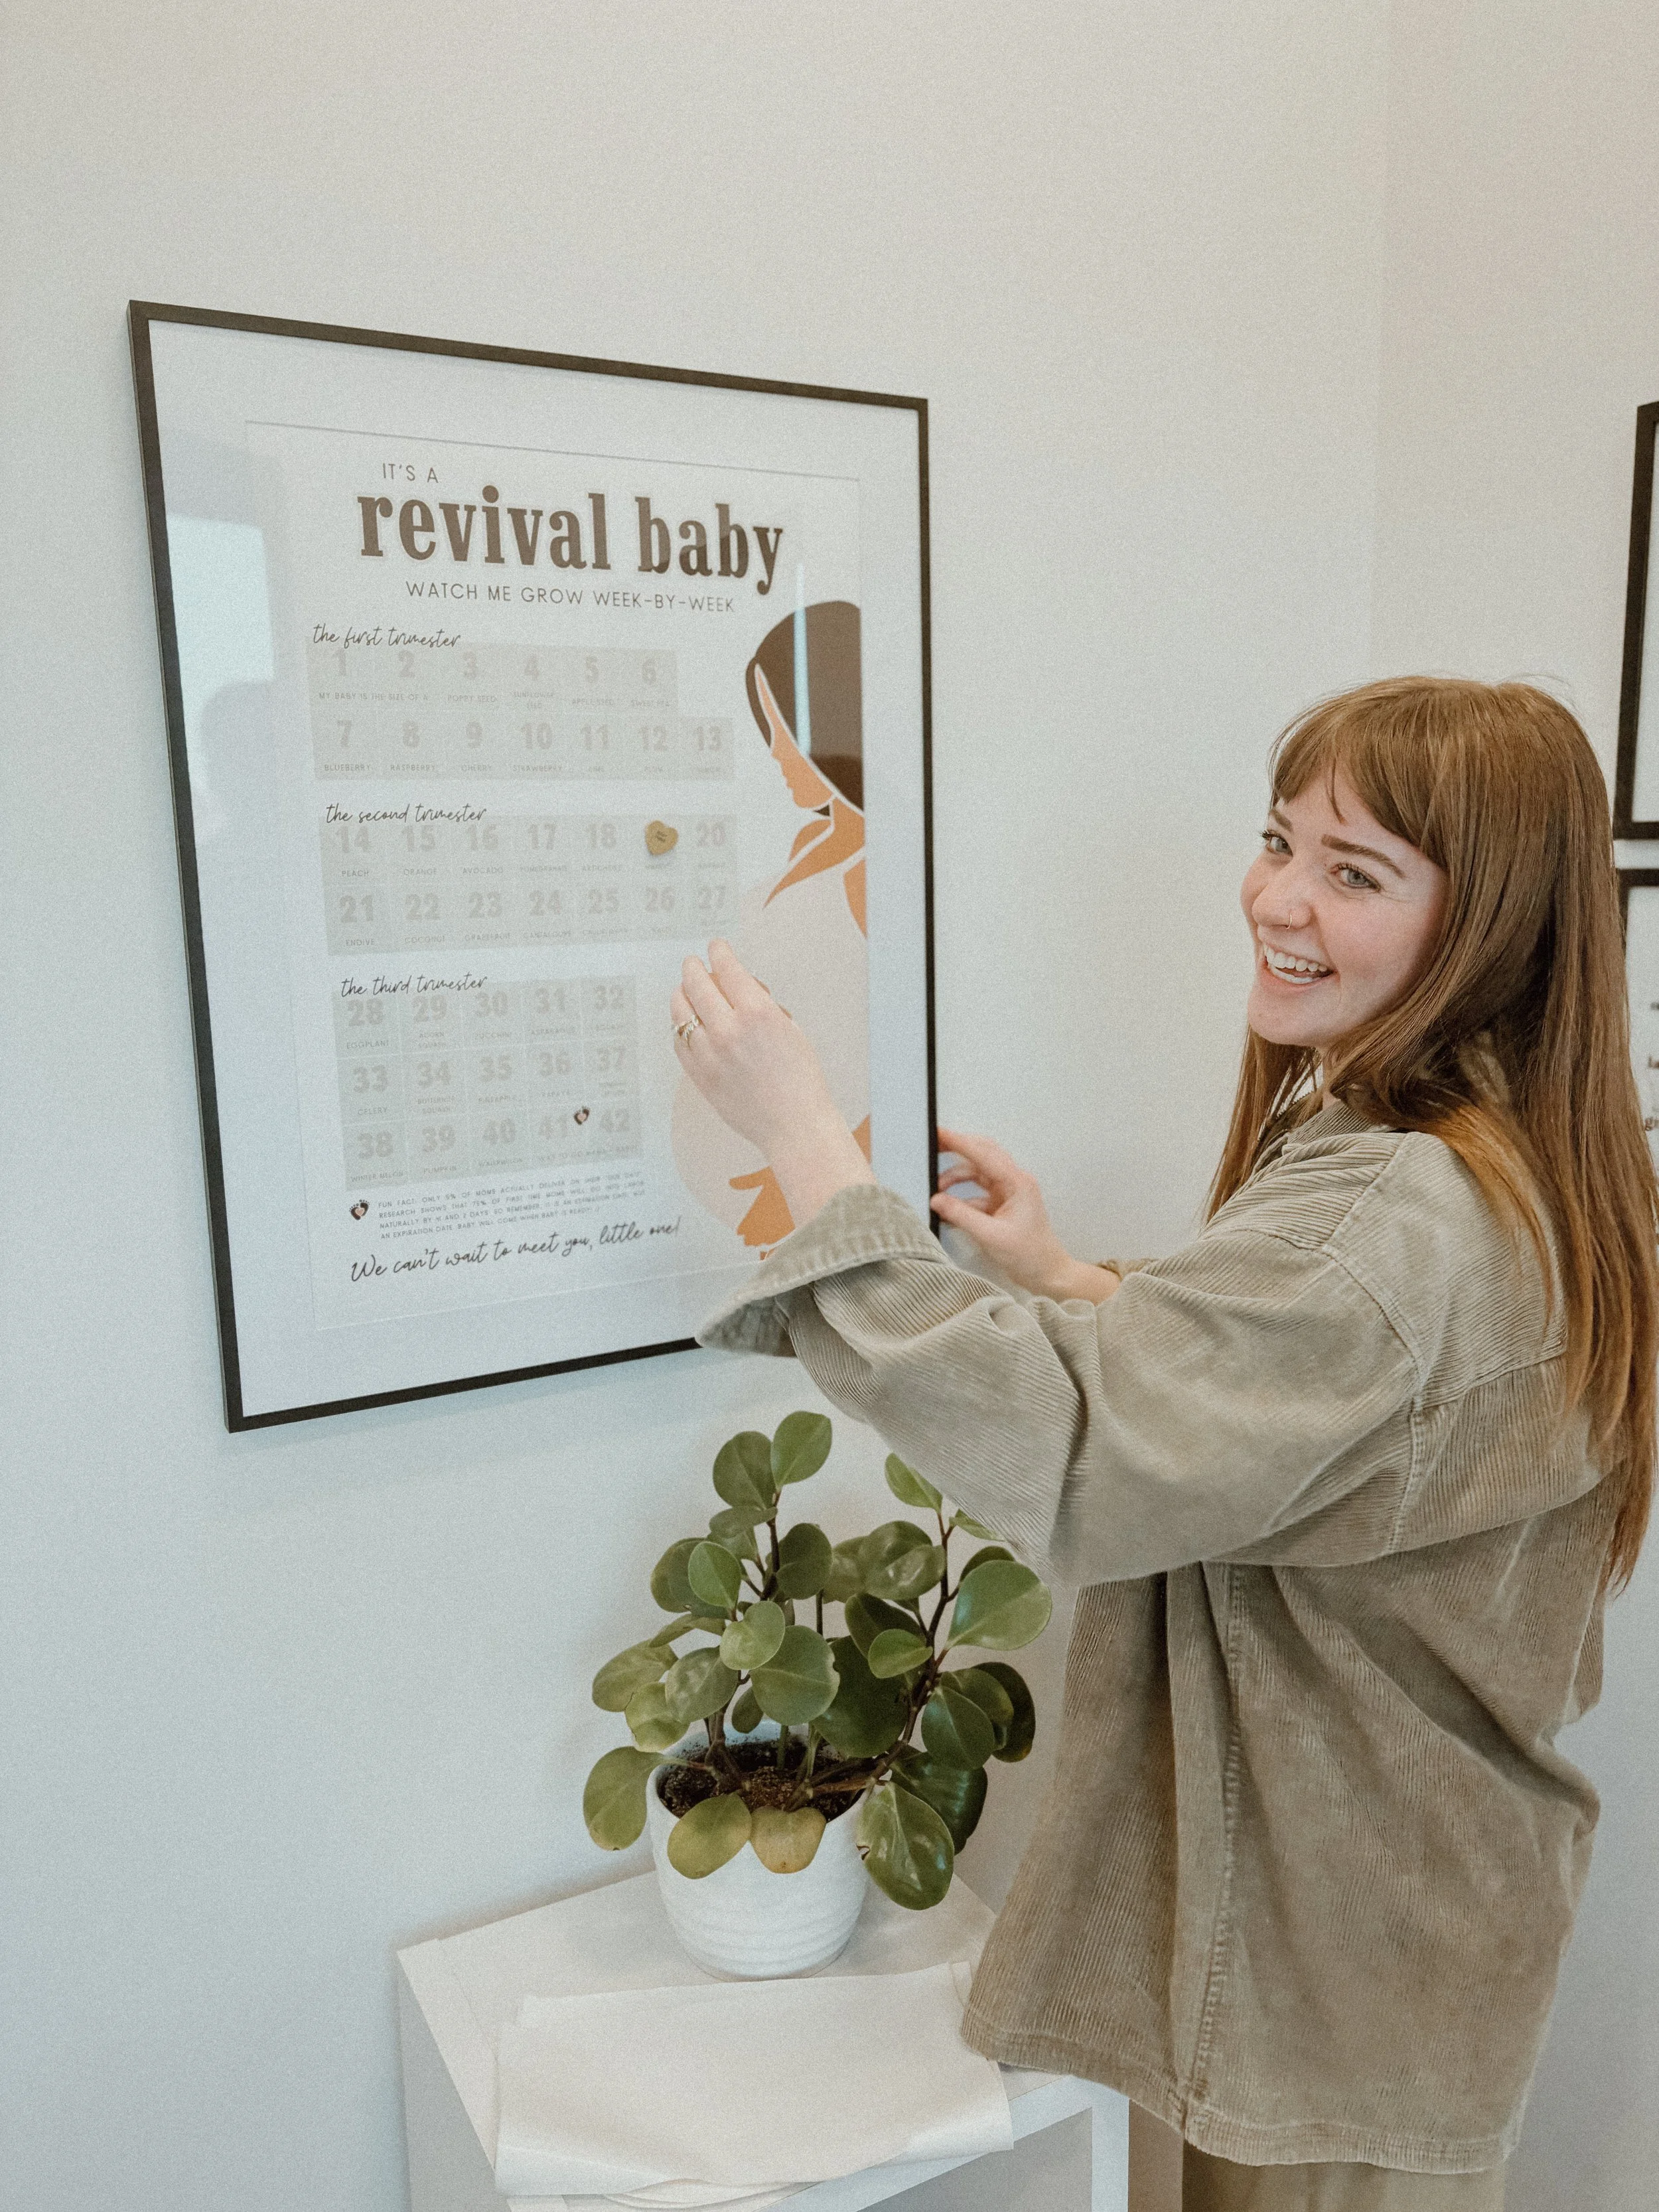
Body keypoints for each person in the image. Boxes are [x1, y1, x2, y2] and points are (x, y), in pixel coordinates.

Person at [669, 677, 1659, 2211]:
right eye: (1278, 841)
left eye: (1353, 871)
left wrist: (806, 1147)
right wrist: (1074, 1282)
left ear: (1489, 926)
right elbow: (1339, 1420)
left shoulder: (1393, 1215)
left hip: (1328, 1962)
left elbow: (1083, 1460)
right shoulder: (1519, 1162)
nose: (1275, 899)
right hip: (1394, 1933)